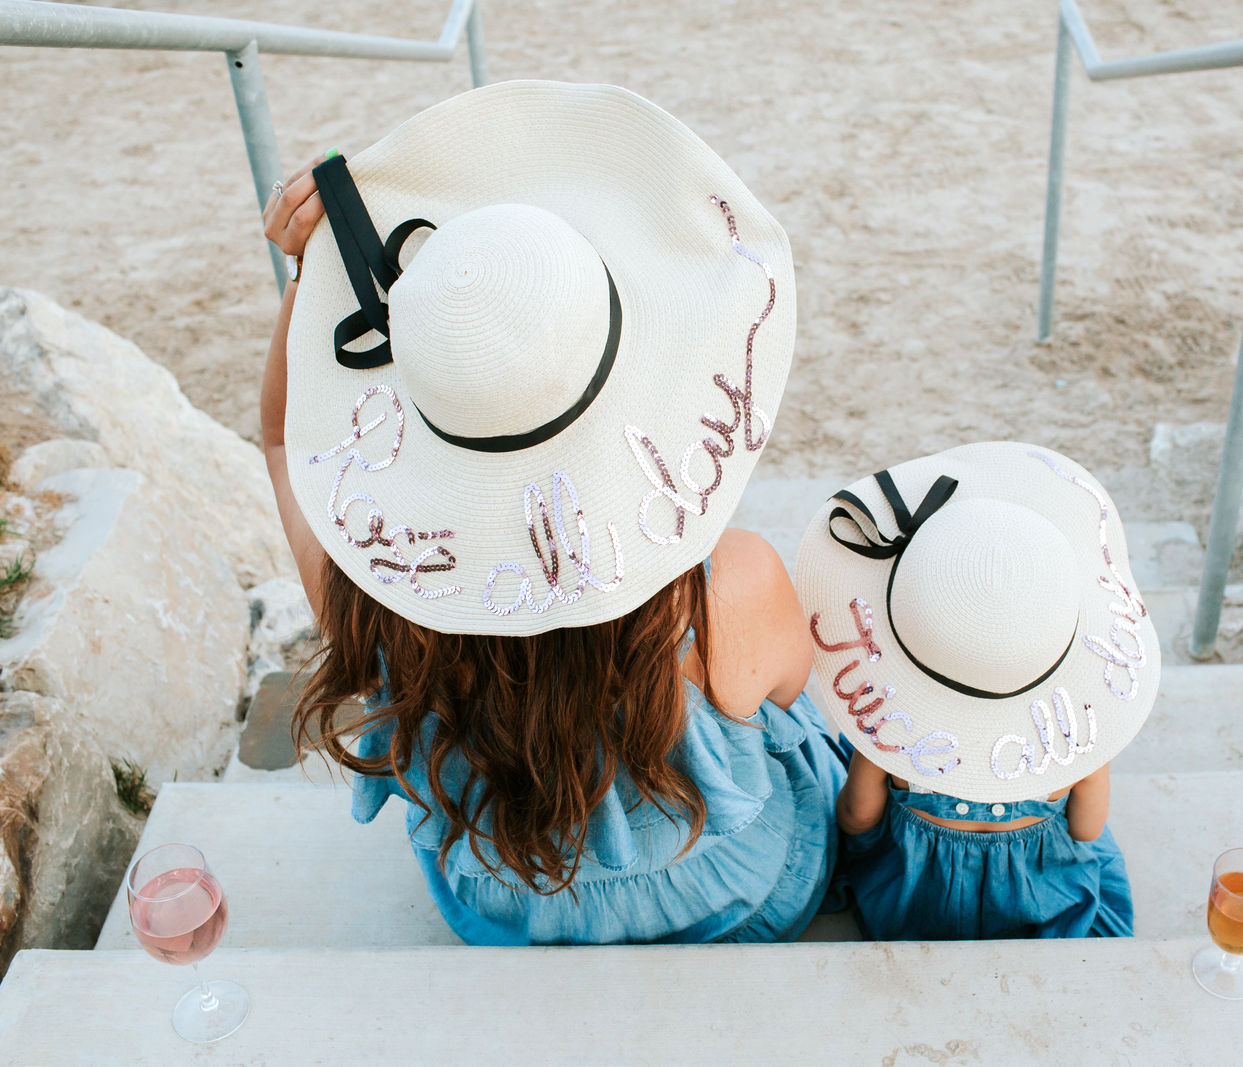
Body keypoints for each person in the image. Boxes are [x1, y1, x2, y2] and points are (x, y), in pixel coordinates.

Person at [258, 82, 846, 945]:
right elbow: (798, 694)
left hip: (507, 905)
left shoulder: (371, 597)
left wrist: (314, 274)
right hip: (733, 899)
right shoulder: (733, 585)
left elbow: (283, 442)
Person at [793, 443, 1158, 940]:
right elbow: (1087, 830)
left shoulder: (891, 728)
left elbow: (858, 817)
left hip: (916, 900)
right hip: (1036, 898)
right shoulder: (1075, 734)